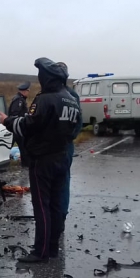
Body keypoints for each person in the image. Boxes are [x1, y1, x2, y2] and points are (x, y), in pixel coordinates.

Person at [0, 57, 80, 263]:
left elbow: (28, 125)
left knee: (41, 205)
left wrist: (7, 121)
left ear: (46, 77)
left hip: (43, 160)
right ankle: (52, 248)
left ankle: (41, 251)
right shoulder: (71, 99)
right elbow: (75, 130)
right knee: (54, 204)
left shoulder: (45, 99)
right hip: (63, 157)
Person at [56, 62, 83, 228]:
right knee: (63, 179)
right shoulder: (73, 95)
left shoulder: (50, 95)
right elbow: (79, 122)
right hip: (65, 145)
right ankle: (60, 214)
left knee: (60, 180)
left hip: (59, 146)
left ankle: (58, 214)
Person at [8, 81, 31, 166]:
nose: (28, 93)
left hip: (17, 127)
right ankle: (26, 164)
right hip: (16, 127)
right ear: (25, 91)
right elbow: (14, 114)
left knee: (22, 146)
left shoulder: (20, 99)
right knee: (23, 146)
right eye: (28, 91)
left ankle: (25, 163)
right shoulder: (19, 100)